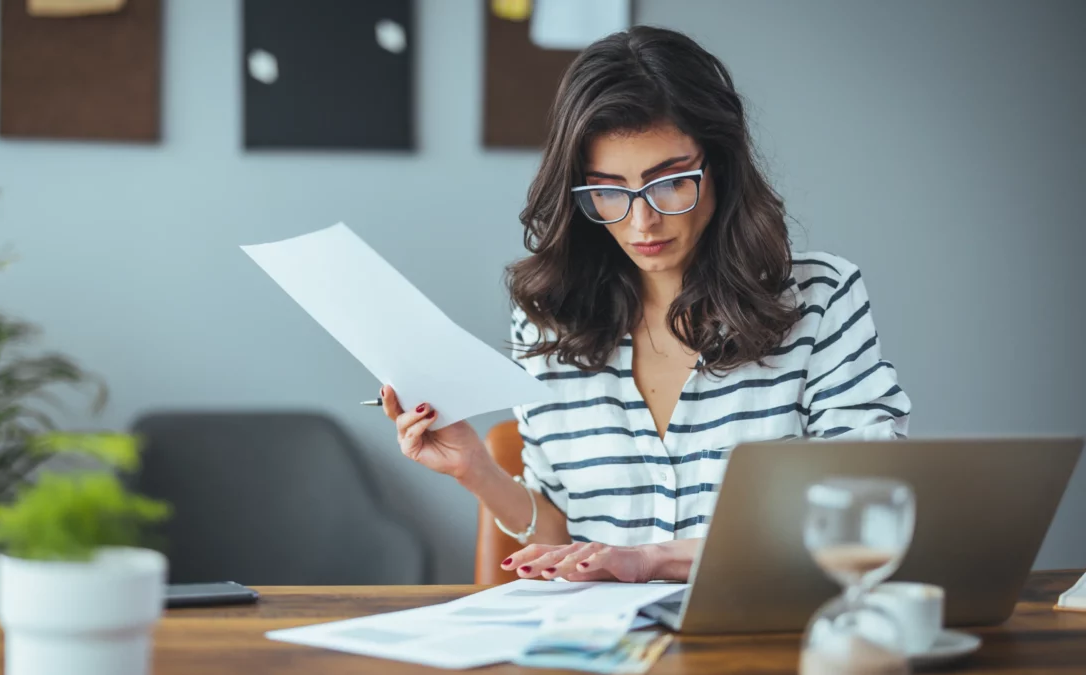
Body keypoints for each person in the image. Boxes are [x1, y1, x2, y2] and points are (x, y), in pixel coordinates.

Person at [383, 26, 910, 583]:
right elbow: (562, 542)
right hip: (602, 652)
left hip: (764, 637)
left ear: (721, 167)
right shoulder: (546, 321)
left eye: (670, 182)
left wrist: (652, 559)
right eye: (607, 190)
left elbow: (864, 513)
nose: (642, 223)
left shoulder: (820, 298)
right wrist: (476, 470)